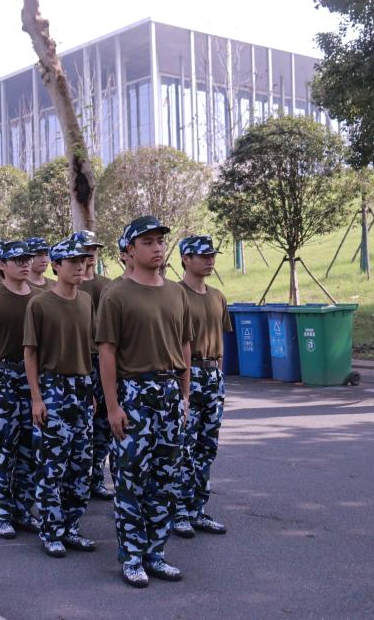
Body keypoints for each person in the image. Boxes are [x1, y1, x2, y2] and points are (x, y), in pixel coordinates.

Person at [96, 216, 192, 588]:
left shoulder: (176, 293)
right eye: (148, 242)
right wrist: (112, 406)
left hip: (169, 393)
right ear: (130, 250)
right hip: (134, 393)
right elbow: (107, 352)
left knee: (165, 480)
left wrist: (185, 395)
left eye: (160, 241)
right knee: (131, 480)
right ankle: (132, 557)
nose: (157, 248)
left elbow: (185, 345)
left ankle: (156, 553)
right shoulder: (116, 294)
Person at [24, 238, 97, 558]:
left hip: (82, 387)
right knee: (52, 465)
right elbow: (30, 353)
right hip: (53, 388)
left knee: (81, 465)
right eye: (72, 262)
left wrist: (91, 391)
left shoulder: (86, 301)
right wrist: (36, 398)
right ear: (56, 265)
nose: (80, 266)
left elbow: (90, 350)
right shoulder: (39, 304)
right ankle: (51, 531)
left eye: (83, 261)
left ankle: (71, 527)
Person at [0, 240, 41, 539]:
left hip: (34, 379)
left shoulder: (39, 298)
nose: (25, 264)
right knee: (3, 449)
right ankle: (2, 513)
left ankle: (23, 509)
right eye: (18, 260)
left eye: (28, 259)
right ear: (2, 265)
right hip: (5, 377)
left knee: (30, 449)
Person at [172, 235, 230, 538]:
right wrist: (182, 386)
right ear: (186, 259)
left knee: (207, 447)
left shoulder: (218, 296)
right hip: (187, 373)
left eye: (212, 255)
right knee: (184, 447)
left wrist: (219, 376)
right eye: (203, 256)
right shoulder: (175, 295)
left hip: (212, 376)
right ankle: (178, 511)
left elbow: (220, 341)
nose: (210, 260)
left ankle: (197, 509)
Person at [72, 230, 116, 502]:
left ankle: (96, 478)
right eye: (84, 249)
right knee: (80, 424)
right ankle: (76, 481)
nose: (90, 254)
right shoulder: (70, 284)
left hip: (103, 359)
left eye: (93, 248)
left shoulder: (108, 286)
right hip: (79, 360)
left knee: (103, 425)